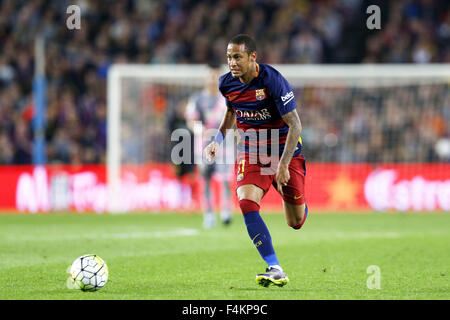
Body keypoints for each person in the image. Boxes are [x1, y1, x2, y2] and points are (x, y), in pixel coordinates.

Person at [204, 34, 308, 287]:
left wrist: (282, 165)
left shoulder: (272, 80)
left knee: (295, 222)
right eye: (229, 57)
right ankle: (275, 267)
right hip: (252, 151)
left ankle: (300, 205)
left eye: (237, 56)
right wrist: (217, 138)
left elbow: (295, 125)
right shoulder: (226, 84)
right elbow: (231, 111)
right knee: (246, 202)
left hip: (285, 150)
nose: (232, 62)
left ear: (252, 57)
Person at [186, 61, 233, 228]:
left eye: (216, 77)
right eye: (210, 77)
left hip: (224, 144)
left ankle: (226, 210)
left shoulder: (227, 98)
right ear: (206, 79)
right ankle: (208, 214)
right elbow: (191, 120)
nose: (213, 80)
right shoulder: (197, 99)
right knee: (205, 179)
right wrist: (199, 128)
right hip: (203, 145)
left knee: (226, 179)